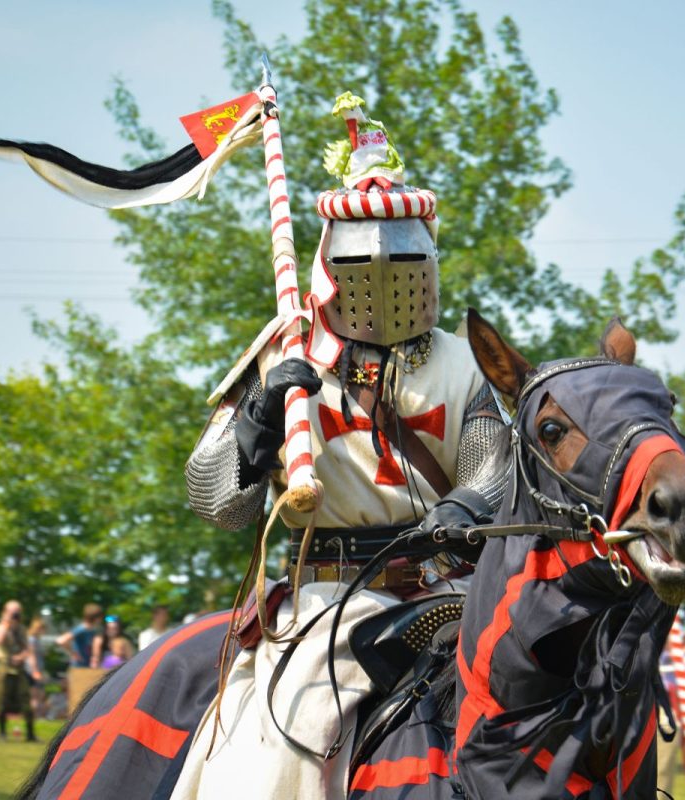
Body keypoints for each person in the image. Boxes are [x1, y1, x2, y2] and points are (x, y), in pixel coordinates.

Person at [173, 93, 508, 799]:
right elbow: (214, 501)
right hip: (327, 601)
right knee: (277, 754)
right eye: (364, 266)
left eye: (405, 261)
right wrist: (257, 423)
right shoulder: (284, 354)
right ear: (332, 267)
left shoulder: (463, 362)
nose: (386, 281)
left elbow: (497, 472)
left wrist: (469, 506)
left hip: (452, 591)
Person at [0, 600, 37, 742]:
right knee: (0, 700)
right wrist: (7, 623)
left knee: (25, 700)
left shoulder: (21, 629)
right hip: (4, 668)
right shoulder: (1, 627)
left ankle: (30, 734)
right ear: (5, 612)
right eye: (13, 612)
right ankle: (2, 733)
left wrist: (21, 657)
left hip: (19, 669)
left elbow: (27, 648)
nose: (16, 615)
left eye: (17, 612)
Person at [56, 603, 102, 668]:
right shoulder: (81, 629)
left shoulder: (92, 630)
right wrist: (73, 654)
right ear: (96, 618)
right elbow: (61, 640)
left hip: (86, 665)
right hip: (78, 665)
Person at [27, 618, 49, 720]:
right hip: (34, 670)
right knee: (36, 695)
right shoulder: (32, 640)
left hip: (37, 669)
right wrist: (35, 671)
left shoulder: (35, 640)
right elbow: (32, 656)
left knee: (40, 694)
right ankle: (35, 716)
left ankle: (38, 715)